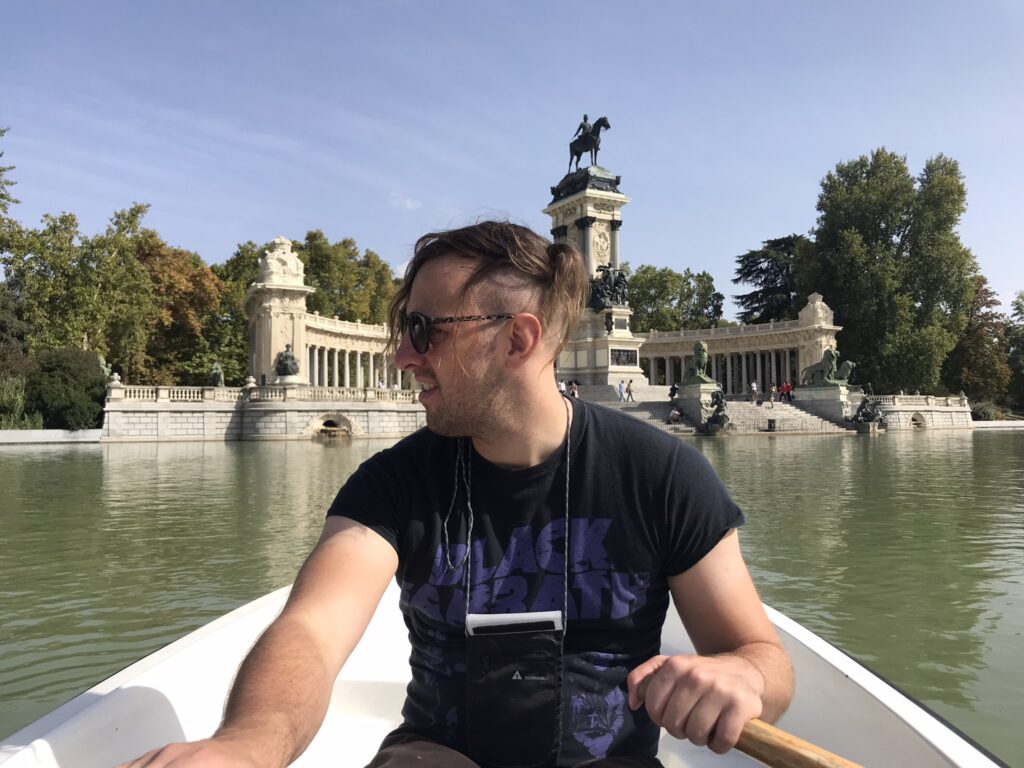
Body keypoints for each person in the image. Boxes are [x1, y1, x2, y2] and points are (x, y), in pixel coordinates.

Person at [124, 221, 792, 768]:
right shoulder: (394, 482)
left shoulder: (662, 476)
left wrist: (743, 678)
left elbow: (762, 658)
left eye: (425, 331)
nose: (401, 358)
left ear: (517, 340)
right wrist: (246, 748)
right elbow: (313, 630)